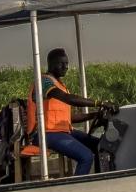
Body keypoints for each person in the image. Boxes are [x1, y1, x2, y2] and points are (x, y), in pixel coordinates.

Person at [28, 47, 116, 176]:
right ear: (51, 64)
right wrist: (99, 103)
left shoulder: (60, 84)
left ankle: (100, 180)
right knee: (85, 156)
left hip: (61, 131)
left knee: (100, 147)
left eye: (67, 64)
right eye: (61, 63)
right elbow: (67, 98)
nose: (66, 67)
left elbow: (70, 118)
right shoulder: (44, 81)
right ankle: (76, 191)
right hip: (44, 133)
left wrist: (94, 115)